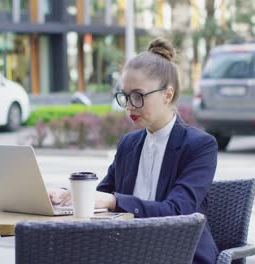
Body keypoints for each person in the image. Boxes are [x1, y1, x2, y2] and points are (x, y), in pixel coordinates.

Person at [49, 38, 219, 264]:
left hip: (182, 254)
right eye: (125, 96)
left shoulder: (200, 145)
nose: (129, 106)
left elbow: (178, 211)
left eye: (138, 96)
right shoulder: (128, 144)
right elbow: (102, 195)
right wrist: (68, 196)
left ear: (167, 95)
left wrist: (111, 201)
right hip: (129, 252)